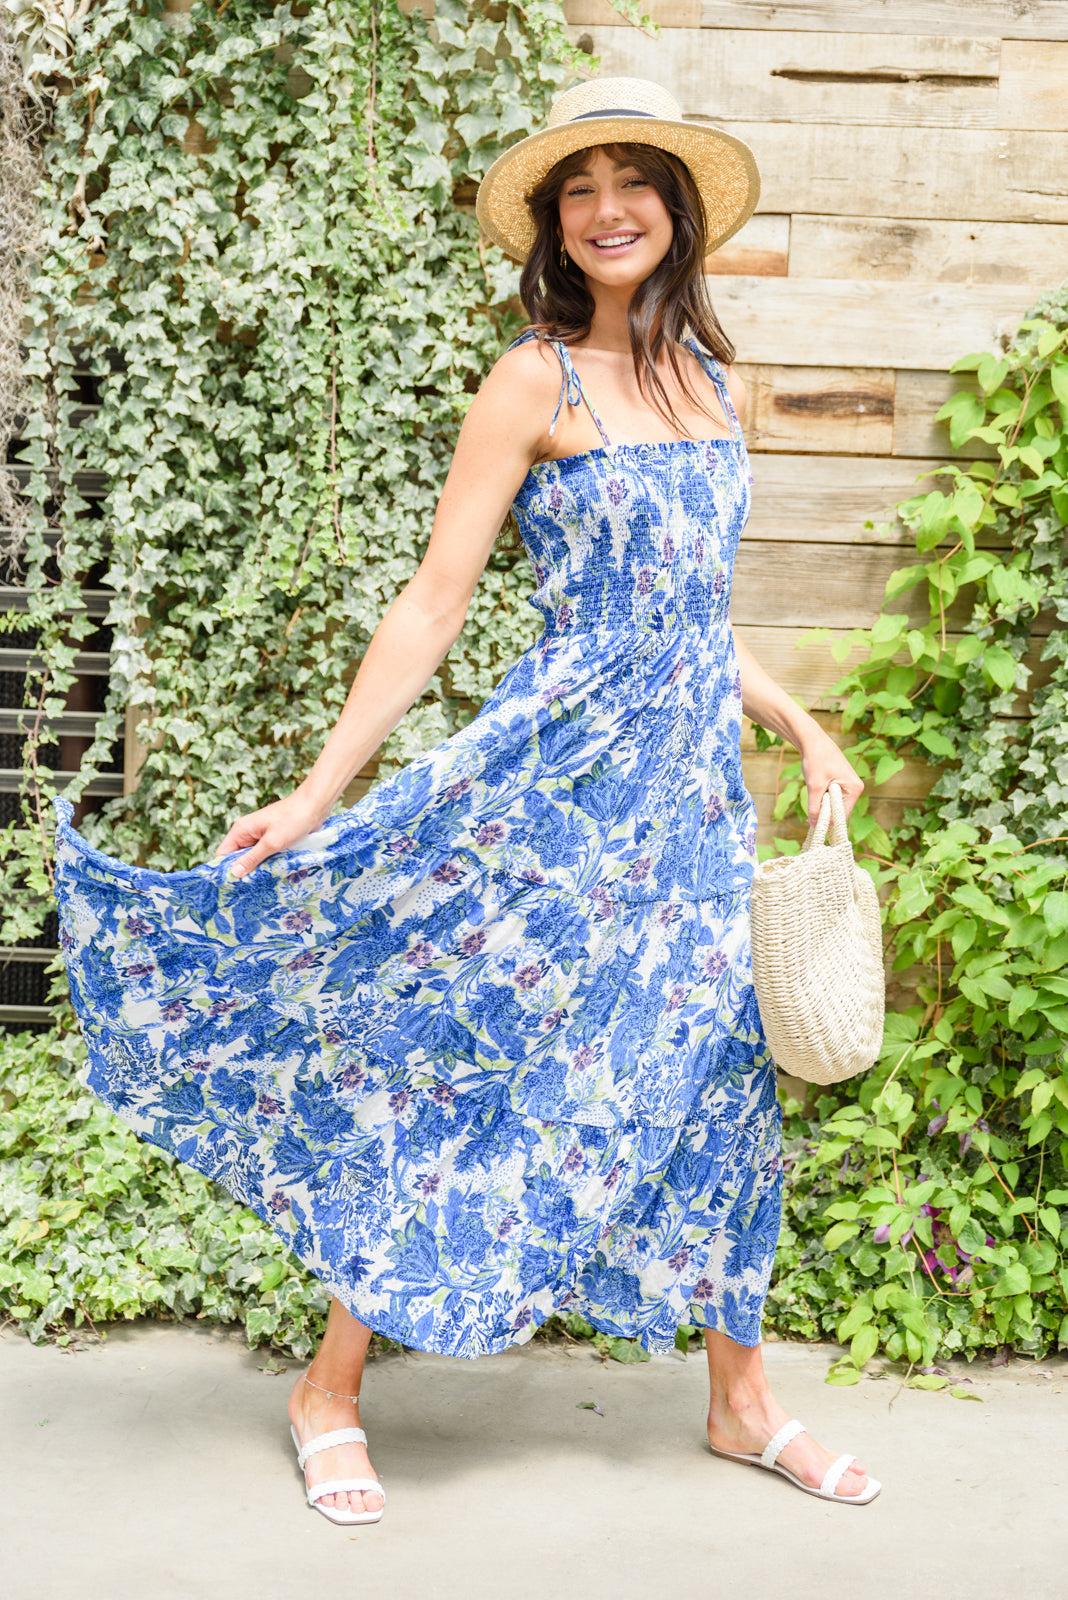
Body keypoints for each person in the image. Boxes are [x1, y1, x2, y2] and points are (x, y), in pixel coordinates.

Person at [54, 75, 880, 1525]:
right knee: (473, 1050)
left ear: (677, 212)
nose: (610, 206)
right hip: (553, 799)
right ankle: (329, 1387)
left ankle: (742, 1405)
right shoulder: (533, 378)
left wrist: (799, 720)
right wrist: (318, 791)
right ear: (556, 223)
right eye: (582, 186)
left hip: (687, 806)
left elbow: (692, 617)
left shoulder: (708, 377)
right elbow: (435, 602)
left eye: (637, 181)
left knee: (725, 1086)